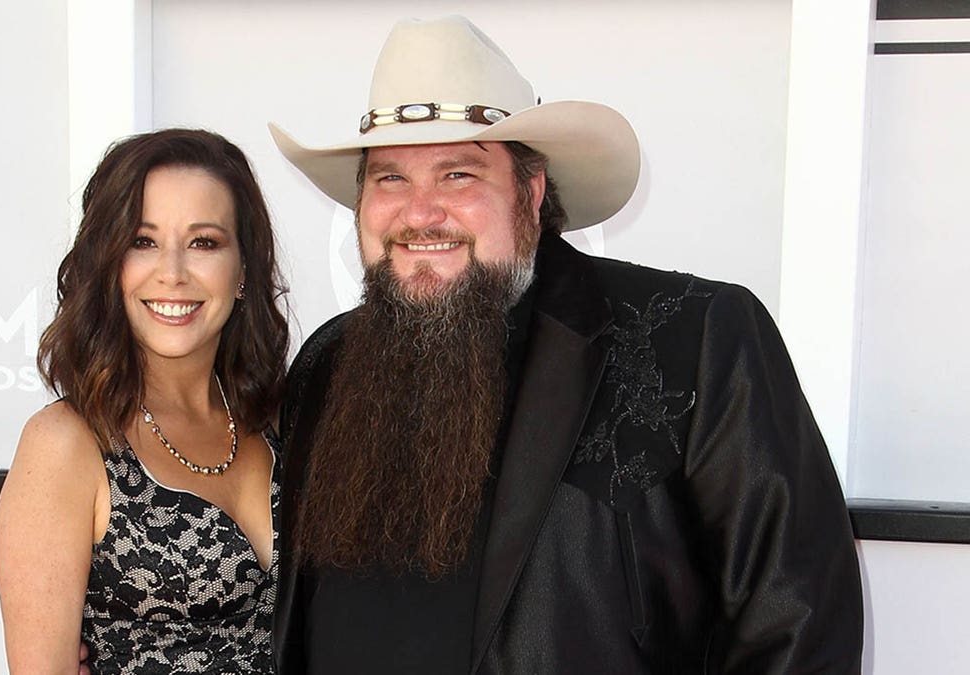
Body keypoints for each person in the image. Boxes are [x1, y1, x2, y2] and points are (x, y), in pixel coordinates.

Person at [268, 16, 862, 674]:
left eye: (459, 174)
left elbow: (800, 629)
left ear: (531, 189)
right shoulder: (326, 365)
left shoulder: (693, 339)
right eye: (390, 179)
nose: (420, 212)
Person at [0, 128, 288, 674]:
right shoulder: (66, 444)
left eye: (204, 242)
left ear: (243, 268)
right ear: (108, 263)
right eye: (142, 241)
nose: (172, 273)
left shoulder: (281, 420)